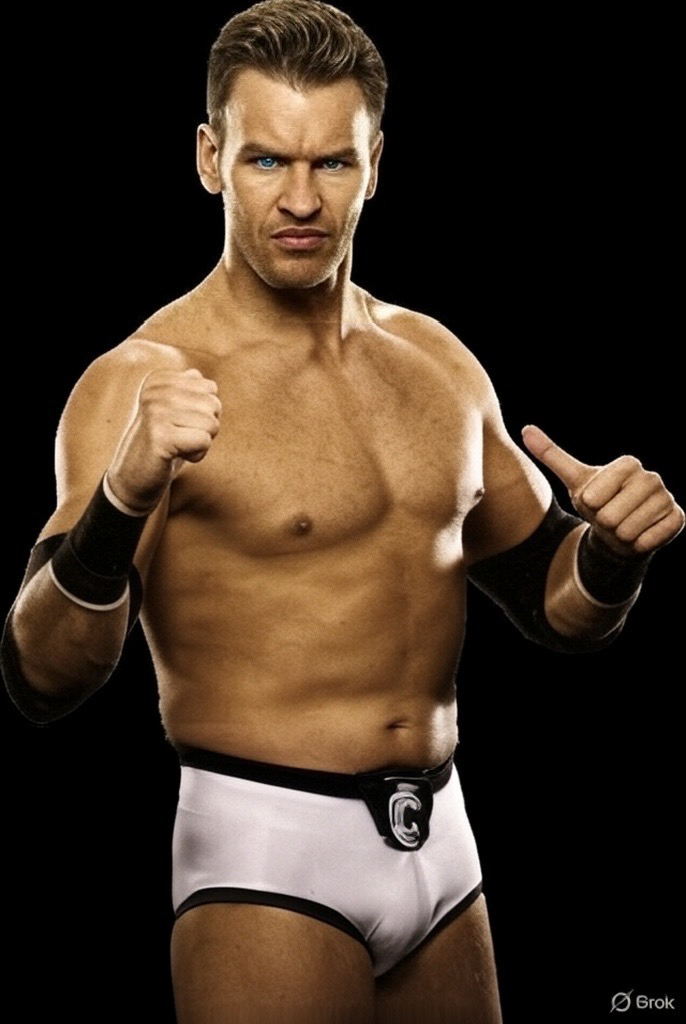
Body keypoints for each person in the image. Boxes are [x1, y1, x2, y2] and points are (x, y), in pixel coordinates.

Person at [3, 2, 682, 1021]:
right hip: (268, 852)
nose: (300, 198)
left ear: (375, 165)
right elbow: (41, 676)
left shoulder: (437, 363)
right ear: (209, 159)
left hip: (442, 849)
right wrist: (121, 497)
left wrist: (613, 554)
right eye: (266, 161)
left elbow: (557, 610)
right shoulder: (143, 379)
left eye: (332, 162)